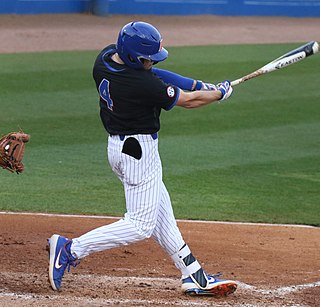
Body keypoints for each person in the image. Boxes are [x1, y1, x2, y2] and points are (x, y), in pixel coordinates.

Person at [47, 21, 237, 297]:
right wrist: (218, 94)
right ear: (135, 58)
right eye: (148, 58)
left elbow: (161, 75)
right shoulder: (141, 84)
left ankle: (193, 274)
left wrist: (201, 84)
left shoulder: (106, 59)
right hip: (139, 154)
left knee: (162, 213)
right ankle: (70, 249)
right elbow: (190, 100)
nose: (151, 63)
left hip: (120, 148)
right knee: (140, 225)